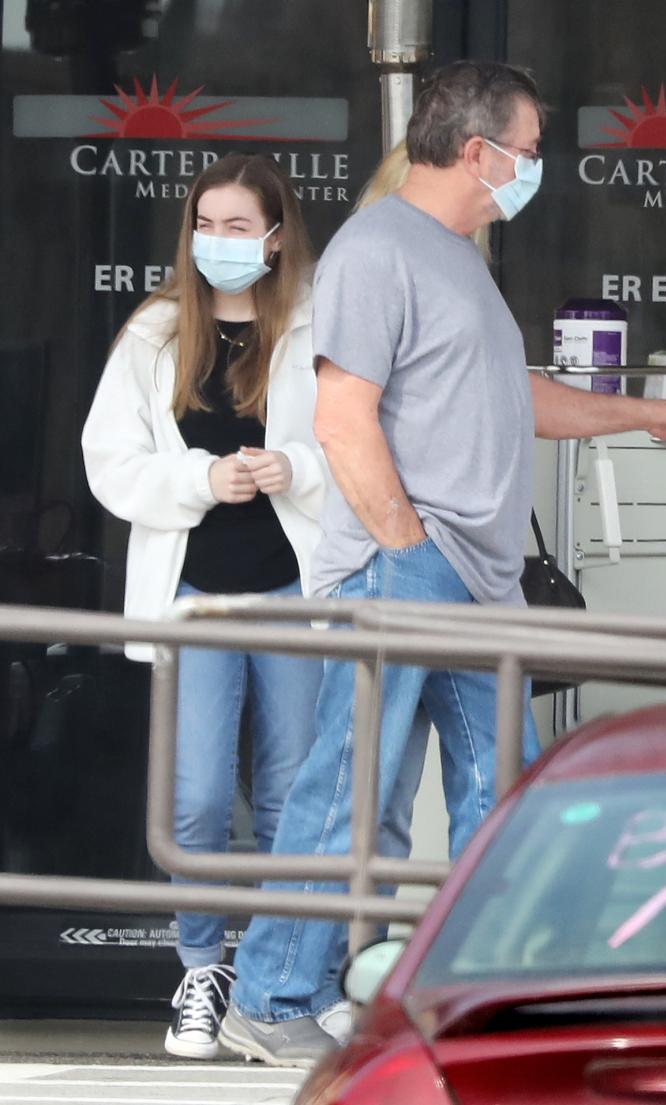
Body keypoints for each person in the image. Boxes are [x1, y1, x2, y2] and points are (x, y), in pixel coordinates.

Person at [219, 60, 666, 1067]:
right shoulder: (381, 250)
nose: (535, 168)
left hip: (467, 575)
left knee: (495, 796)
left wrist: (654, 416)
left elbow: (519, 397)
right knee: (356, 790)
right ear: (479, 152)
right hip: (411, 566)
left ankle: (481, 1005)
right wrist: (408, 552)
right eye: (532, 150)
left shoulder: (457, 256)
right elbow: (342, 419)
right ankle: (274, 992)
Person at [79, 154, 330, 1059]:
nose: (220, 242)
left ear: (276, 235)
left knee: (295, 792)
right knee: (191, 799)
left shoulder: (313, 320)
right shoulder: (156, 329)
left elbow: (358, 444)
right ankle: (200, 966)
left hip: (296, 589)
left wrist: (293, 467)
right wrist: (201, 476)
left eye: (239, 227)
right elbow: (109, 463)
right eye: (207, 224)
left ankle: (287, 982)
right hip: (193, 598)